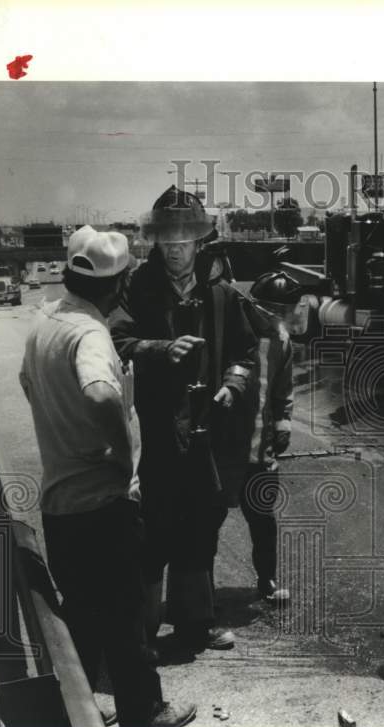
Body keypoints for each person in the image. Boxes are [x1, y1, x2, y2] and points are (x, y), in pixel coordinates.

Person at [18, 225, 195, 727]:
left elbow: (26, 382)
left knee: (83, 608)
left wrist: (62, 429)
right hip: (102, 500)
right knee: (123, 609)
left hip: (60, 500)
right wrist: (121, 453)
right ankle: (145, 710)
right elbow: (99, 392)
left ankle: (86, 703)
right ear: (117, 286)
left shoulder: (46, 320)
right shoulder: (91, 332)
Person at [109, 187, 259, 654]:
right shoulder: (135, 288)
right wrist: (158, 349)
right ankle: (145, 632)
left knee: (200, 527)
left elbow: (248, 352)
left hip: (203, 435)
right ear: (155, 242)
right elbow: (114, 341)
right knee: (151, 530)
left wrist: (232, 384)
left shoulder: (222, 293)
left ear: (199, 242)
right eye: (167, 240)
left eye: (184, 239)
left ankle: (196, 624)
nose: (175, 248)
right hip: (151, 434)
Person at [238, 271, 306, 603]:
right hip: (226, 446)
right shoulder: (236, 332)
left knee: (263, 519)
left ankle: (266, 579)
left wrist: (283, 424)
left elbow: (283, 388)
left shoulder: (281, 340)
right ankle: (199, 594)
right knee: (205, 523)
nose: (287, 318)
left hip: (260, 450)